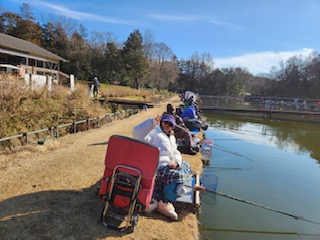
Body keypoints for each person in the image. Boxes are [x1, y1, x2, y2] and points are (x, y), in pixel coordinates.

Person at [132, 114, 193, 220]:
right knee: (179, 175)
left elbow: (175, 152)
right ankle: (164, 201)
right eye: (165, 122)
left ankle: (159, 198)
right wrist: (151, 123)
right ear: (161, 122)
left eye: (170, 124)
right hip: (157, 168)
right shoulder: (153, 132)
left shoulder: (172, 137)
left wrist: (176, 162)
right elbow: (136, 134)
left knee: (185, 165)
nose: (167, 126)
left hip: (168, 165)